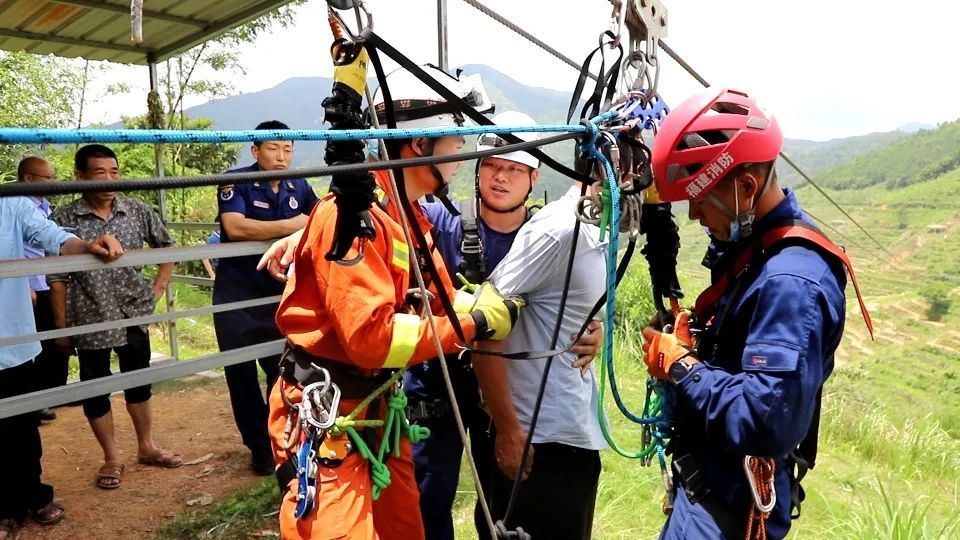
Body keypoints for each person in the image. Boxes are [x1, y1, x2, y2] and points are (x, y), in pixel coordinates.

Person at [262, 64, 523, 540]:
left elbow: (442, 304)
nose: (460, 157)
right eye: (454, 143)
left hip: (376, 412)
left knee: (406, 530)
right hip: (329, 416)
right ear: (419, 145)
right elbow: (371, 340)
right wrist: (477, 322)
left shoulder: (409, 218)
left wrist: (474, 305)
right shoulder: (353, 216)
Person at [642, 88, 859, 539]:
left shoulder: (791, 281)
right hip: (706, 491)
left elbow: (765, 421)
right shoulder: (756, 252)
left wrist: (680, 366)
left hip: (725, 513)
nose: (694, 213)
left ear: (744, 187)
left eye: (700, 198)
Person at [403, 111, 602, 540]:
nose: (501, 177)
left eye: (515, 169)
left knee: (498, 505)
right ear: (477, 172)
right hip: (438, 387)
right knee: (426, 501)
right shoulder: (442, 222)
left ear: (533, 179)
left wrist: (592, 330)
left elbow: (572, 300)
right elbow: (385, 213)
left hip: (503, 397)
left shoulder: (547, 235)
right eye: (492, 165)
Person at [471, 164, 610, 539]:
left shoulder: (594, 227)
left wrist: (596, 333)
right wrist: (509, 430)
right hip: (538, 440)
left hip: (570, 430)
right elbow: (486, 326)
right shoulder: (558, 228)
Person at [48, 144, 182, 491]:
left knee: (138, 381)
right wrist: (61, 327)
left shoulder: (136, 210)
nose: (108, 180)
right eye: (99, 173)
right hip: (89, 315)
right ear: (80, 176)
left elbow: (167, 247)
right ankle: (111, 456)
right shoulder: (63, 219)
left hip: (133, 312)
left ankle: (146, 446)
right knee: (96, 387)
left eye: (114, 172)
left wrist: (157, 288)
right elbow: (56, 278)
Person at [0, 189, 123, 539]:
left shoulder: (11, 203)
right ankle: (6, 508)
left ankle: (33, 494)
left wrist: (86, 245)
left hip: (13, 339)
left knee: (22, 425)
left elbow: (51, 235)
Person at [213, 120, 319, 476]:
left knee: (283, 372)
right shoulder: (236, 181)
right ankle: (259, 448)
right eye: (273, 148)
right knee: (241, 377)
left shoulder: (298, 183)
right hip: (237, 296)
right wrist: (295, 224)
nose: (281, 156)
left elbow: (321, 221)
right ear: (255, 151)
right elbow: (236, 227)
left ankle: (285, 442)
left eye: (287, 149)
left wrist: (304, 223)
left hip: (278, 295)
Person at [17, 157, 67, 423]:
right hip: (29, 288)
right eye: (46, 178)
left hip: (46, 283)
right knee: (31, 347)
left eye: (52, 176)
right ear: (28, 178)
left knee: (52, 343)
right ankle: (30, 405)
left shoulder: (44, 206)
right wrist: (23, 283)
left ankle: (46, 397)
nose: (52, 182)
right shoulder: (16, 206)